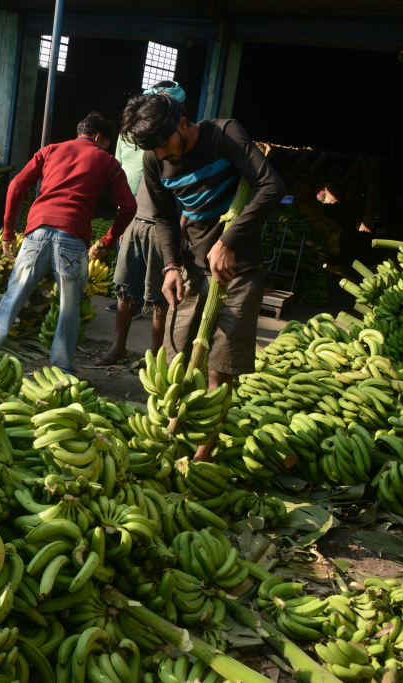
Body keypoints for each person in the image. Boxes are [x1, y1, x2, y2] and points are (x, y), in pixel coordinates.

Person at [120, 93, 285, 460]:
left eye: (165, 145)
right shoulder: (154, 158)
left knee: (219, 370)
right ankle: (163, 435)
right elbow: (164, 216)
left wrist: (229, 240)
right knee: (174, 356)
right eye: (155, 151)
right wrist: (170, 266)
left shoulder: (224, 134)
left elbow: (271, 185)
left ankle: (201, 456)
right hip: (193, 271)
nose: (162, 155)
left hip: (240, 274)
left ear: (183, 123)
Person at [0, 112, 137, 374]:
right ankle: (61, 368)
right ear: (98, 137)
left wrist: (7, 231)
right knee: (69, 308)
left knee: (13, 297)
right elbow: (128, 206)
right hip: (72, 239)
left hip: (36, 234)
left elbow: (16, 185)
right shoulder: (107, 161)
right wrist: (107, 240)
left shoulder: (50, 150)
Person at [97, 80, 186, 366]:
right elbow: (119, 170)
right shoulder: (135, 135)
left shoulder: (175, 140)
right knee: (125, 287)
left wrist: (181, 229)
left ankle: (154, 355)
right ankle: (118, 347)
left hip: (163, 225)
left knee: (159, 294)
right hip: (134, 218)